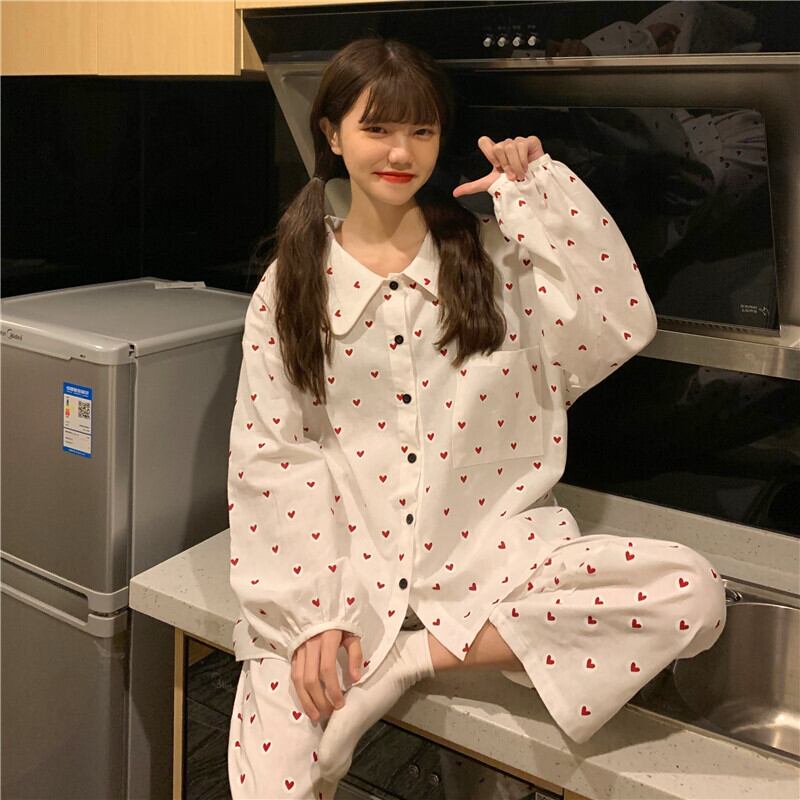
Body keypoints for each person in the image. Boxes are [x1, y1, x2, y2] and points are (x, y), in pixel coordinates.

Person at [226, 36, 727, 800]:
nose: (401, 151)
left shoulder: (496, 264)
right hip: (342, 577)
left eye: (421, 130)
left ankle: (411, 662)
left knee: (691, 591)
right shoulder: (290, 284)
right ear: (331, 133)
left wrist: (545, 200)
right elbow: (273, 454)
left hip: (495, 567)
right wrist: (311, 616)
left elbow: (620, 326)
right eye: (377, 128)